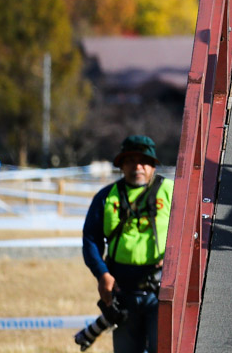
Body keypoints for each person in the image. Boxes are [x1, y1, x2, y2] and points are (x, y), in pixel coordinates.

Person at [82, 135, 174, 353]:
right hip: (122, 291)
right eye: (130, 160)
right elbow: (91, 240)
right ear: (121, 165)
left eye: (143, 161)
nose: (137, 166)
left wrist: (173, 259)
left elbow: (193, 232)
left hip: (161, 291)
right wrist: (102, 274)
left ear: (153, 166)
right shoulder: (106, 197)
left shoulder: (172, 192)